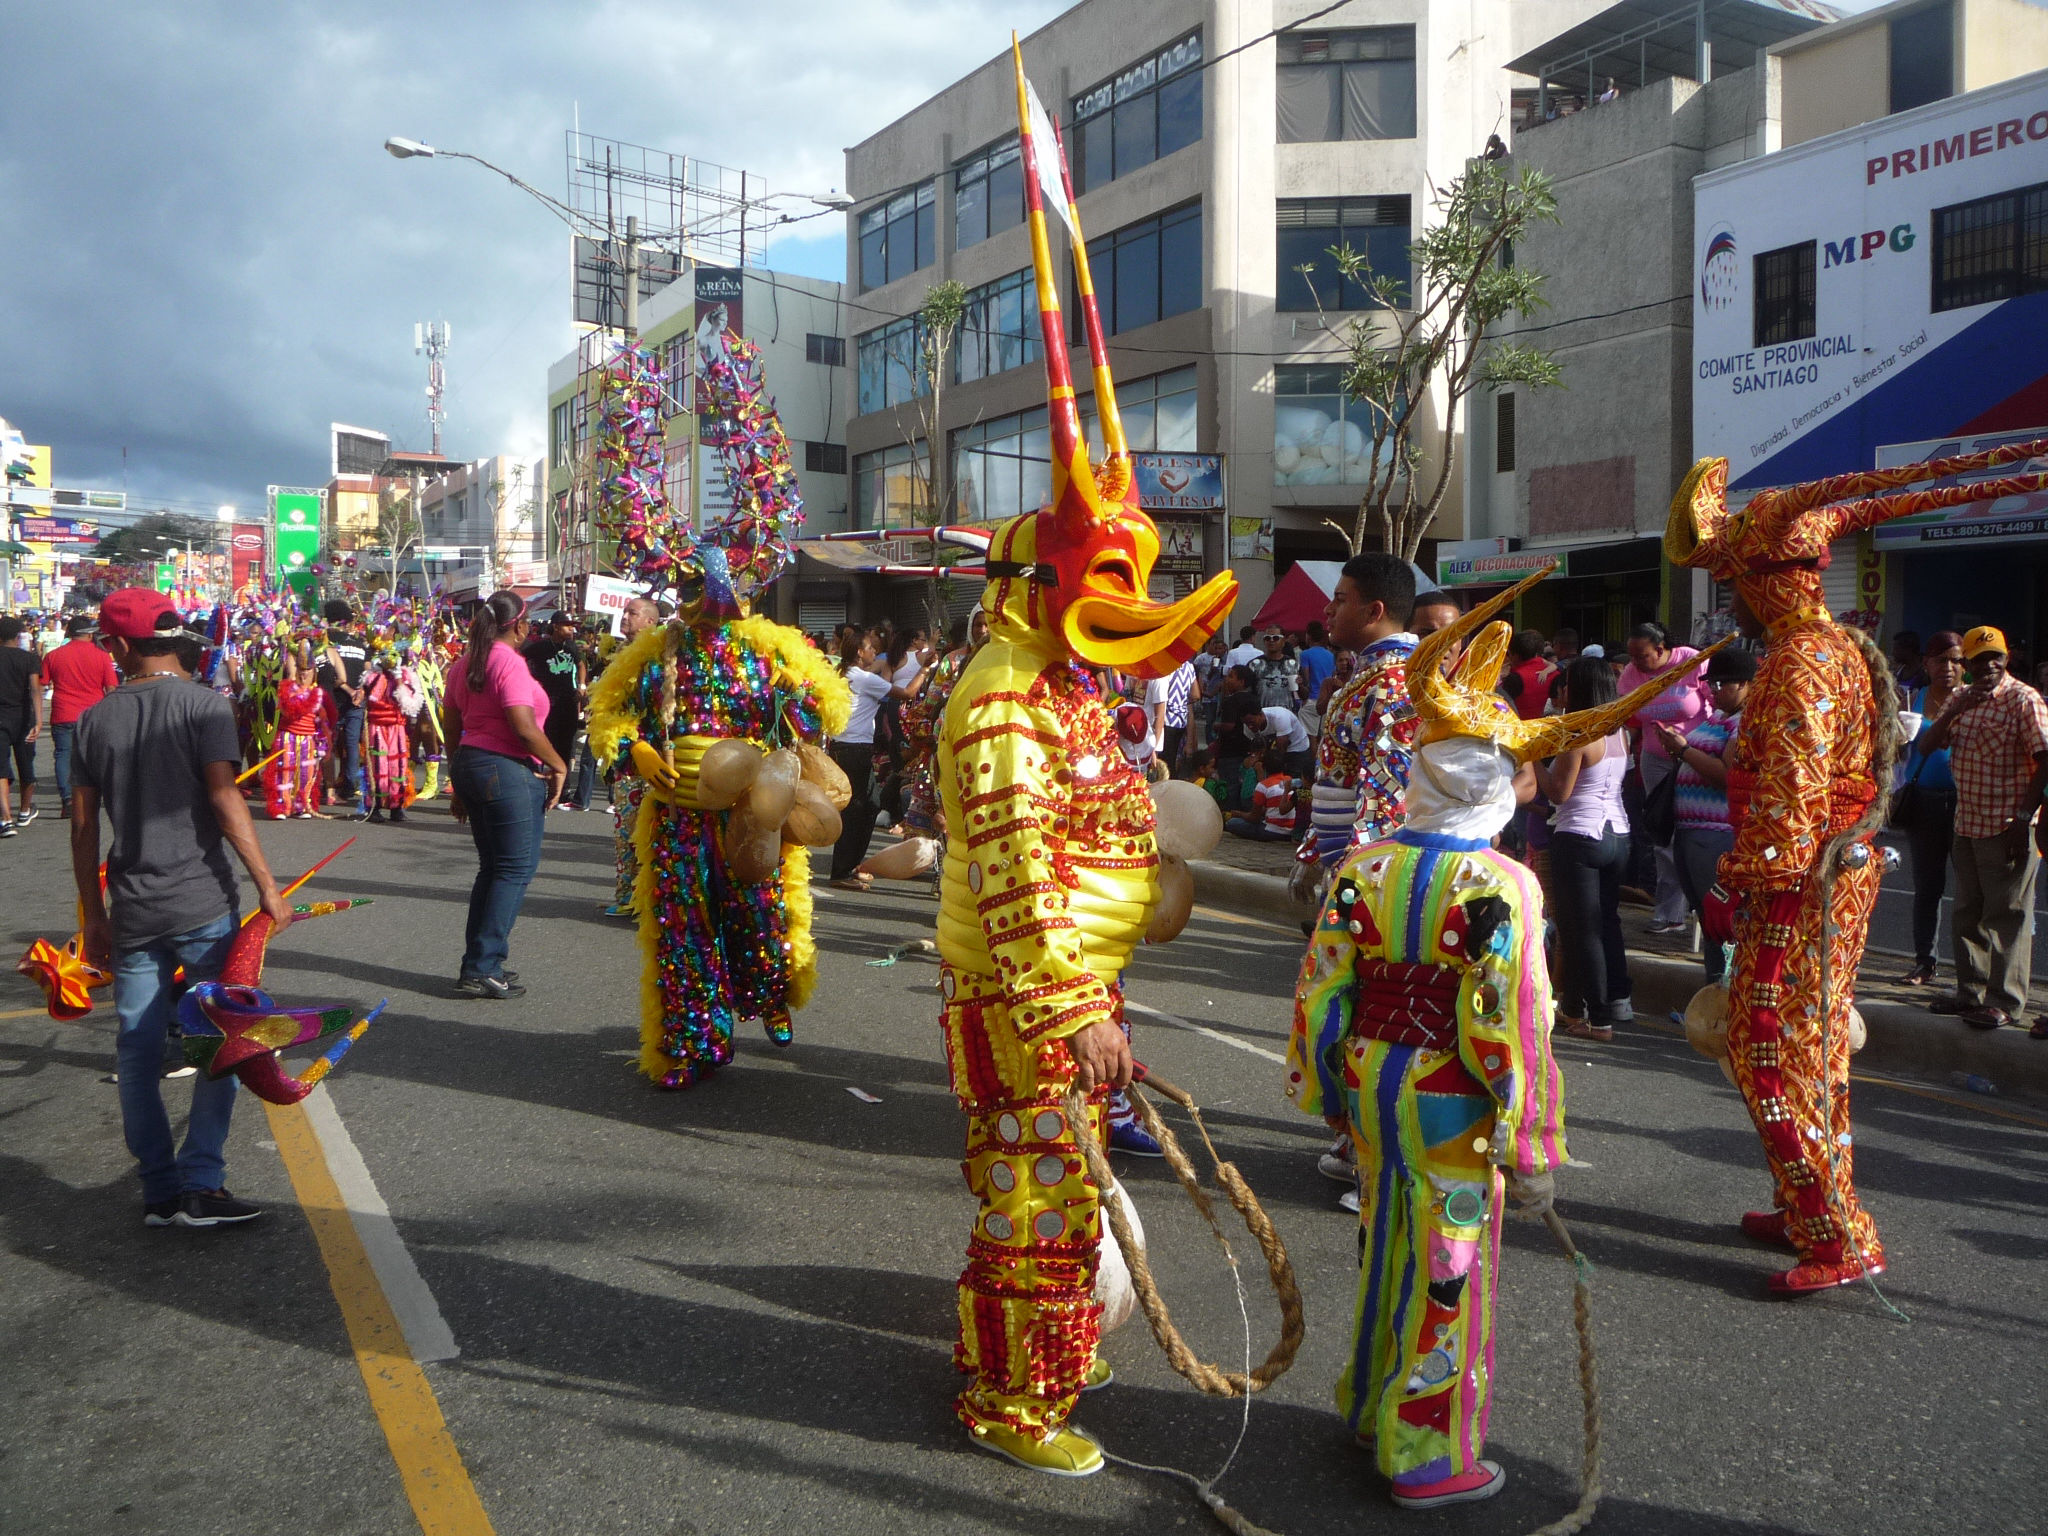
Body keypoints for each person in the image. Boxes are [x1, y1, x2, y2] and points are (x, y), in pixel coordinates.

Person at [1289, 566, 1681, 1510]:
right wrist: (1534, 1141)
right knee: (1448, 1269)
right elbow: (1512, 1026)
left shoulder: (1365, 867)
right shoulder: (1502, 887)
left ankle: (1367, 1401)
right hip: (1450, 1101)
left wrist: (1332, 1091)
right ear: (1499, 782)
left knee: (1385, 1244)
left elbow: (1323, 995)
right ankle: (1423, 1453)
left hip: (1375, 1086)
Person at [1664, 447, 2040, 1294]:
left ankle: (1836, 1231)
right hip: (1830, 877)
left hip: (1797, 882)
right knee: (1815, 1047)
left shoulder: (1800, 662)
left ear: (1766, 584)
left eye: (1734, 586)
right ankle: (1805, 1206)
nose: (1732, 603)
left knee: (1765, 1051)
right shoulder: (1837, 651)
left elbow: (1791, 797)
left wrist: (1732, 885)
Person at [69, 588, 293, 1228]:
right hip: (201, 905)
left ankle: (160, 1193)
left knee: (138, 1055)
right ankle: (203, 1183)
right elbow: (225, 802)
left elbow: (84, 831)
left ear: (116, 645)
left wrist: (93, 916)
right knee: (220, 1041)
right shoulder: (206, 706)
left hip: (133, 911)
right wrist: (268, 887)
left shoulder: (92, 721)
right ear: (174, 638)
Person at [1921, 625, 2048, 1031]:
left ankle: (2005, 1002)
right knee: (1967, 914)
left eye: (1996, 657)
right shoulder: (1961, 698)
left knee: (2007, 915)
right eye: (1979, 659)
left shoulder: (2023, 699)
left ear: (2007, 659)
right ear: (1967, 665)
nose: (1989, 665)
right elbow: (1926, 747)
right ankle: (1969, 992)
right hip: (1968, 823)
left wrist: (2026, 817)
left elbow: (2045, 759)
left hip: (2009, 824)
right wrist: (1955, 711)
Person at [443, 591, 569, 1000]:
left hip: (472, 763)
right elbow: (523, 726)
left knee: (493, 869)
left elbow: (451, 726)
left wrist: (458, 780)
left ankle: (479, 964)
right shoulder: (510, 663)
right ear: (520, 625)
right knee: (513, 870)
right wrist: (559, 765)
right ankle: (483, 966)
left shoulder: (464, 665)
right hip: (504, 769)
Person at [1295, 554, 1419, 884]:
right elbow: (1334, 777)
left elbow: (1388, 788)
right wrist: (1315, 851)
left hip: (1371, 872)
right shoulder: (1370, 677)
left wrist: (1357, 871)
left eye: (1340, 600)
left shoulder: (1394, 684)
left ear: (1373, 611)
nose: (1327, 610)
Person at [1537, 656, 1635, 1040]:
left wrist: (1531, 761)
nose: (1561, 691)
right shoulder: (1619, 732)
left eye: (1566, 685)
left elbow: (1558, 792)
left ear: (1576, 690)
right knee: (1607, 922)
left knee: (1582, 931)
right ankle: (1608, 1002)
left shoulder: (1580, 734)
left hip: (1579, 833)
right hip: (1618, 834)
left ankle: (1598, 1019)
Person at [1653, 646, 1755, 985]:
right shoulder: (1720, 718)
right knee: (1707, 918)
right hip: (1690, 831)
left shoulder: (1746, 722)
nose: (1713, 691)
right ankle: (1715, 995)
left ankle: (1725, 995)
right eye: (1710, 684)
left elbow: (1727, 774)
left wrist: (1683, 749)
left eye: (1721, 684)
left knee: (1721, 921)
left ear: (1744, 684)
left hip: (1715, 833)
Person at [1620, 620, 1710, 934]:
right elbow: (1626, 711)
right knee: (1661, 834)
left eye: (1642, 656)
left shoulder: (1692, 660)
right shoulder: (1632, 674)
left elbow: (1717, 701)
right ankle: (1669, 911)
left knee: (1695, 830)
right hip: (1655, 758)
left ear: (1661, 650)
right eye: (1631, 656)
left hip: (1696, 757)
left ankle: (1705, 906)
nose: (1635, 663)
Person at [1893, 631, 1964, 987]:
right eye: (1940, 660)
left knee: (1970, 892)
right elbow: (1893, 755)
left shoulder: (1974, 700)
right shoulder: (1912, 699)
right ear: (1926, 663)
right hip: (1923, 803)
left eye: (1956, 660)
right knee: (1927, 887)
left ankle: (1970, 971)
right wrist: (1896, 737)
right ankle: (1925, 962)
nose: (1948, 668)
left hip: (1969, 804)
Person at [827, 628, 910, 891]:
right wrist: (923, 670)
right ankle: (841, 870)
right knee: (857, 810)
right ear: (859, 652)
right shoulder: (862, 678)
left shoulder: (848, 675)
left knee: (869, 806)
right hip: (855, 750)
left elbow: (882, 683)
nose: (874, 651)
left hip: (846, 748)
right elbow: (906, 694)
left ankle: (851, 866)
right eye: (870, 648)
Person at [603, 596, 662, 918]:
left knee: (653, 832)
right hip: (625, 759)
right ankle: (628, 895)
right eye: (625, 611)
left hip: (651, 756)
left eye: (632, 612)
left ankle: (652, 897)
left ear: (650, 622)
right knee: (626, 830)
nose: (625, 616)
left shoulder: (658, 659)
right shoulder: (620, 655)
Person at [41, 614, 119, 820]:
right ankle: (98, 796)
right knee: (97, 756)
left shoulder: (54, 656)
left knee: (63, 755)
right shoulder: (102, 656)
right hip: (94, 714)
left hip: (63, 713)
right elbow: (111, 688)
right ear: (89, 634)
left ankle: (67, 799)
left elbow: (44, 682)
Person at [522, 611, 587, 813]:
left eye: (572, 625)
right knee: (544, 743)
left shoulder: (572, 646)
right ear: (556, 626)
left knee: (566, 746)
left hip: (568, 701)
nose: (571, 629)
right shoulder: (540, 647)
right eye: (567, 625)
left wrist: (582, 685)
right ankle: (539, 784)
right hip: (547, 701)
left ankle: (563, 789)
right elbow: (520, 660)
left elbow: (581, 664)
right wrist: (531, 681)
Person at [263, 643, 331, 820]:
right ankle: (281, 806)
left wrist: (322, 742)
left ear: (313, 671)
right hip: (288, 737)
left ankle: (301, 805)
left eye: (307, 669)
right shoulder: (286, 688)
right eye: (301, 669)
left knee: (305, 774)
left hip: (308, 740)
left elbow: (321, 721)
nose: (304, 673)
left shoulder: (318, 692)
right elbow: (288, 710)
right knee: (284, 771)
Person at [317, 599, 367, 805]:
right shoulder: (360, 644)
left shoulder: (326, 645)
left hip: (333, 700)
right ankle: (350, 784)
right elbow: (368, 671)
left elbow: (333, 676)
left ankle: (326, 784)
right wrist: (360, 691)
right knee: (352, 743)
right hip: (357, 700)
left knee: (327, 744)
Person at [359, 647, 415, 824]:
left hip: (396, 727)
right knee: (377, 766)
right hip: (376, 726)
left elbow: (409, 705)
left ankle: (396, 807)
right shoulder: (372, 677)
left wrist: (398, 678)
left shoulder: (405, 676)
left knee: (397, 767)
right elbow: (363, 696)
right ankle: (374, 806)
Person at [0, 614, 44, 832]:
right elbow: (35, 689)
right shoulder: (29, 659)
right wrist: (39, 719)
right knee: (26, 766)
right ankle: (25, 811)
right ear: (18, 636)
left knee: (0, 769)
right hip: (24, 719)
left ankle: (5, 818)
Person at [1225, 747, 1298, 840]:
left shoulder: (1263, 786)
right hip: (1290, 830)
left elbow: (1254, 817)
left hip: (1272, 830)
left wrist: (1239, 814)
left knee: (1232, 823)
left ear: (1264, 767)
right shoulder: (1289, 779)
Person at [1246, 701, 1313, 780]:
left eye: (1252, 723)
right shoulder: (1247, 725)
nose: (1249, 726)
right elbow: (1254, 751)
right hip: (1274, 752)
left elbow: (1281, 750)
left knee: (1295, 781)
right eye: (1246, 723)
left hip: (1298, 748)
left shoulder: (1280, 717)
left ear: (1261, 715)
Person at [1247, 626, 1301, 710]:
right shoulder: (1254, 664)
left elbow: (1304, 695)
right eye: (1267, 638)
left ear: (1283, 641)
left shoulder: (1293, 665)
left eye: (1276, 638)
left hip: (1286, 714)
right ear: (1264, 641)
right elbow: (1247, 692)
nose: (1271, 641)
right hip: (1262, 715)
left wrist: (1300, 685)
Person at [1297, 620, 1336, 699]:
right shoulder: (1331, 655)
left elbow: (1306, 680)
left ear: (1308, 636)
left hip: (1312, 698)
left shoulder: (1305, 654)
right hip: (1326, 698)